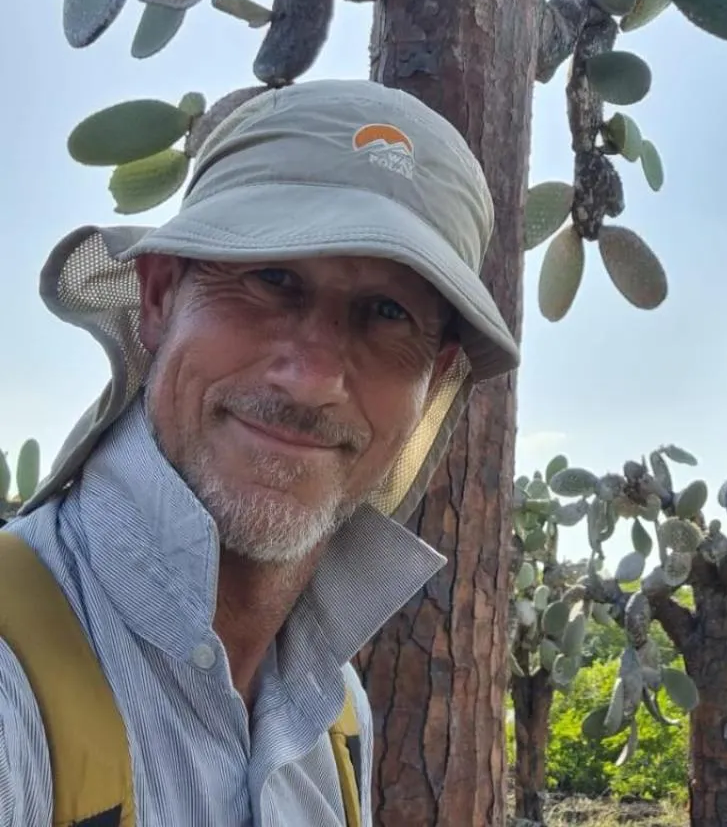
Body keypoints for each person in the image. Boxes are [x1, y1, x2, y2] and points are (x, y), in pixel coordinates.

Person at [0, 79, 519, 827]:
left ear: (432, 383)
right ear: (158, 296)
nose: (312, 380)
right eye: (272, 278)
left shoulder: (337, 716)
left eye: (385, 313)